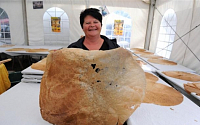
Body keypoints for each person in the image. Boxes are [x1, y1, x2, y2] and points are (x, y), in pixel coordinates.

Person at [68, 8, 127, 125]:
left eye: (95, 22)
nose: (92, 25)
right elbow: (67, 75)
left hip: (109, 101)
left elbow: (123, 71)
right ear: (82, 26)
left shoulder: (114, 47)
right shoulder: (73, 49)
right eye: (87, 23)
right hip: (81, 101)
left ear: (101, 24)